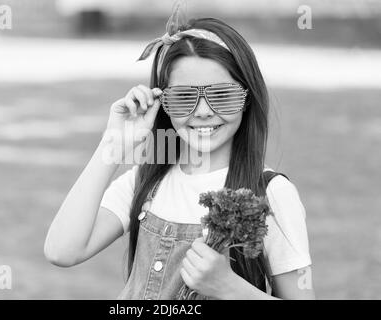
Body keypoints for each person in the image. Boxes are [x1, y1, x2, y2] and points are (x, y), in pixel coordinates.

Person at [44, 9, 315, 300]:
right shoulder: (146, 181)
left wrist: (231, 288)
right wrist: (113, 146)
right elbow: (62, 251)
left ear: (247, 99)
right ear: (163, 102)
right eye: (184, 96)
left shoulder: (271, 194)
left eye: (222, 95)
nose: (203, 111)